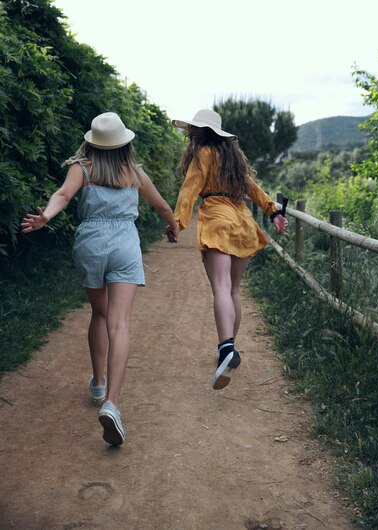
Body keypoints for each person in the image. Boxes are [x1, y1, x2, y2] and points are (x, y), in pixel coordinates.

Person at [21, 112, 179, 446]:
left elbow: (63, 196)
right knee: (119, 323)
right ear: (125, 143)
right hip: (124, 243)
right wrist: (173, 227)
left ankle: (96, 381)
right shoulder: (135, 172)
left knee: (100, 313)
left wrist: (45, 217)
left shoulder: (83, 167)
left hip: (90, 243)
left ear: (92, 142)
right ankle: (111, 402)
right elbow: (163, 207)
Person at [168, 109, 288, 391]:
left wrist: (177, 223)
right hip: (243, 222)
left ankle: (225, 350)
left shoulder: (203, 155)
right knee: (233, 290)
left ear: (200, 132)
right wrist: (273, 212)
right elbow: (253, 188)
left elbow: (189, 190)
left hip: (218, 220)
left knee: (220, 287)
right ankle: (229, 347)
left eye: (194, 130)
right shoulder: (232, 158)